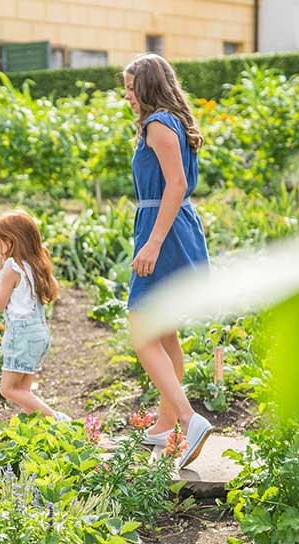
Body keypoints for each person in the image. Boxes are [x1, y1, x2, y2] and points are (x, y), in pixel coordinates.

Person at [123, 53, 213, 468]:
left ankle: (189, 419)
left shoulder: (159, 123)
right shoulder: (168, 121)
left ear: (147, 87)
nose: (126, 96)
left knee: (142, 329)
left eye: (130, 87)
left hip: (166, 230)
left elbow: (175, 184)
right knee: (165, 334)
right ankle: (165, 426)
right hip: (170, 225)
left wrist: (154, 242)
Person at [0, 210, 67, 421]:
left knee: (8, 389)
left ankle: (58, 420)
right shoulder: (36, 263)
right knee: (24, 391)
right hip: (39, 334)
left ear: (11, 241)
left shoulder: (12, 268)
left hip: (22, 336)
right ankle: (40, 431)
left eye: (0, 240)